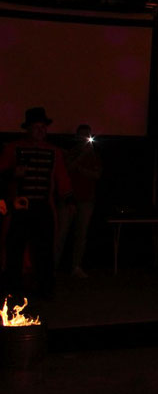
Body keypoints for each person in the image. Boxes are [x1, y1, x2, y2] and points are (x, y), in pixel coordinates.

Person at [0, 107, 72, 301]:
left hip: (43, 207)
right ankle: (13, 288)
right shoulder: (12, 148)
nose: (41, 130)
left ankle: (44, 288)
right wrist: (13, 173)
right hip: (19, 207)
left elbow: (61, 177)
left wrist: (66, 198)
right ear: (28, 129)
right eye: (36, 127)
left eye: (43, 127)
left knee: (44, 249)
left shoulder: (54, 152)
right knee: (15, 247)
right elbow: (2, 173)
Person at [55, 124, 103, 278]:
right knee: (61, 234)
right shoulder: (70, 153)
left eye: (87, 135)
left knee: (81, 235)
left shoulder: (94, 155)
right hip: (68, 199)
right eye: (82, 135)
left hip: (86, 200)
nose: (84, 138)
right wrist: (81, 157)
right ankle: (52, 267)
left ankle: (76, 266)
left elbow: (97, 175)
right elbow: (67, 169)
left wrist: (81, 169)